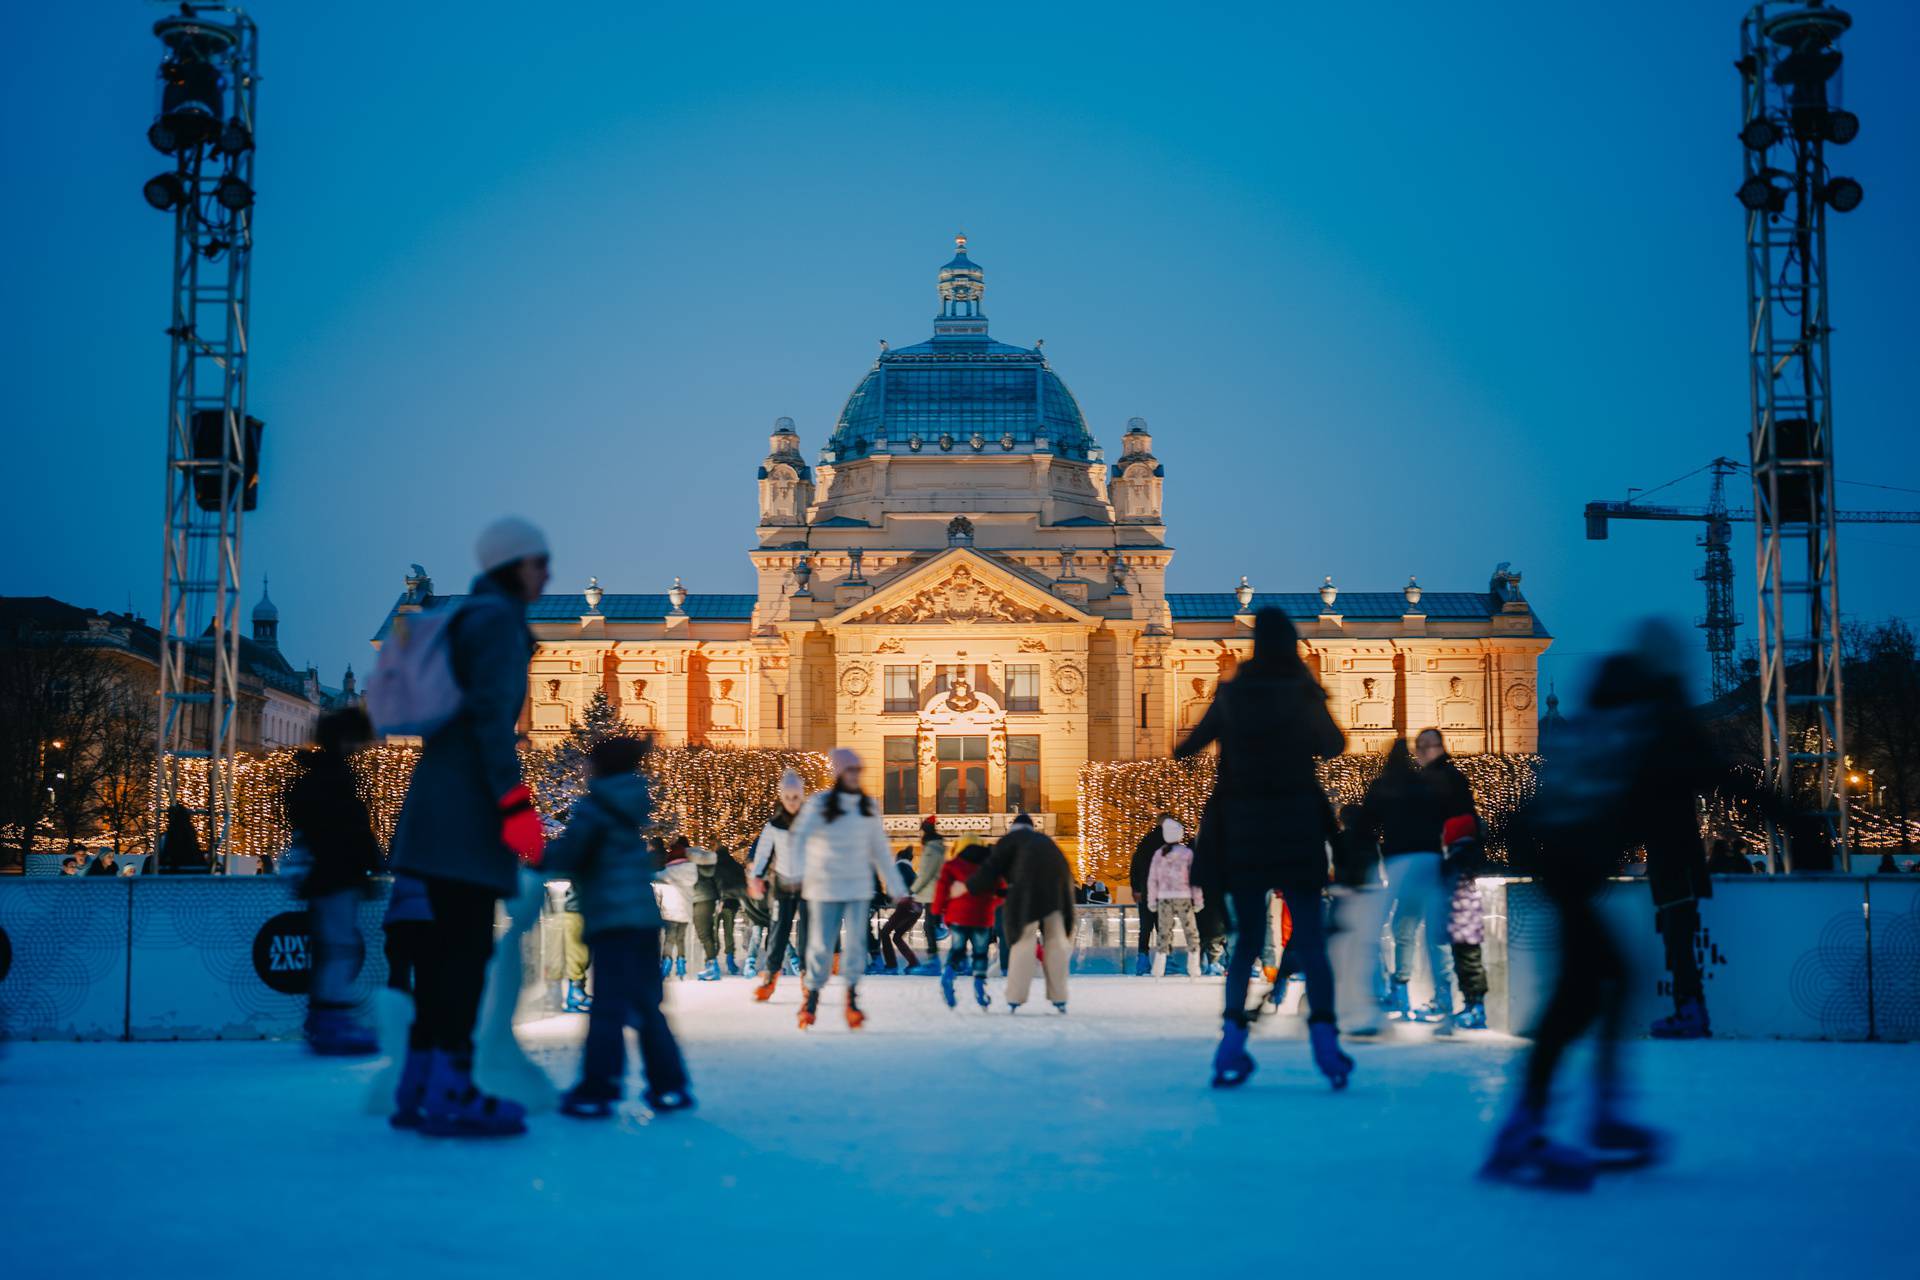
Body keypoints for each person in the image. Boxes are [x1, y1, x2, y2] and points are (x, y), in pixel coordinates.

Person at [386, 516, 548, 1137]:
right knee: (464, 953)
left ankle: (416, 1084)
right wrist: (516, 808)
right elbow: (490, 727)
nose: (547, 575)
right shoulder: (499, 624)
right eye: (539, 563)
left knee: (440, 954)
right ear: (515, 565)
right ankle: (451, 1089)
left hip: (432, 804)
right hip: (465, 814)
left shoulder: (465, 616)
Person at [1174, 607, 1349, 1089]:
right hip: (1296, 828)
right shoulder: (1301, 690)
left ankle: (1231, 1043)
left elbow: (1186, 749)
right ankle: (1326, 1045)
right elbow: (1334, 744)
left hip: (1243, 831)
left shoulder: (1234, 693)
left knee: (1246, 942)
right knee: (1311, 942)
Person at [540, 737, 692, 1118]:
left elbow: (568, 855)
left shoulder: (595, 808)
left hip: (612, 919)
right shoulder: (629, 803)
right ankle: (669, 1084)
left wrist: (529, 847)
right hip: (640, 919)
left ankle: (599, 1086)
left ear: (601, 767)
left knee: (607, 1004)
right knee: (646, 1004)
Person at [787, 747, 909, 1029]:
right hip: (824, 886)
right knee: (821, 945)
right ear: (839, 773)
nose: (855, 776)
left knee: (855, 945)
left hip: (857, 887)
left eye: (857, 771)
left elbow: (880, 850)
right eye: (850, 771)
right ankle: (812, 999)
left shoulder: (867, 806)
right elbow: (799, 839)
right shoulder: (819, 805)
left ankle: (852, 1000)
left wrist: (897, 888)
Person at [286, 706, 383, 1056]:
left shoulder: (317, 777)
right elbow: (350, 831)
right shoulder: (335, 780)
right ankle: (332, 1022)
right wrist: (370, 861)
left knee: (332, 947)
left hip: (327, 874)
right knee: (339, 947)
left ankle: (325, 1018)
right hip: (336, 874)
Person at [1350, 737, 1453, 1032]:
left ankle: (1389, 996)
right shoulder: (1427, 785)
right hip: (1431, 859)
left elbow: (1364, 829)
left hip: (1398, 861)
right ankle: (1444, 1003)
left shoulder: (1383, 786)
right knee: (1432, 934)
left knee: (1377, 930)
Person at [960, 814, 1075, 1014]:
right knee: (1055, 943)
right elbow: (1065, 872)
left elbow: (990, 868)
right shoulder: (1046, 841)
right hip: (1057, 894)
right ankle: (1060, 998)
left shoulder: (1010, 840)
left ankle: (1015, 997)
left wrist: (970, 887)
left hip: (1026, 895)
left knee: (1023, 943)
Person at [749, 770, 809, 1000]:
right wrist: (756, 877)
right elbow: (763, 853)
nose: (792, 802)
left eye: (796, 797)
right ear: (782, 798)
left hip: (806, 886)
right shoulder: (773, 825)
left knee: (806, 933)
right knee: (778, 932)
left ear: (801, 797)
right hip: (782, 885)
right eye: (788, 797)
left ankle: (807, 977)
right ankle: (770, 977)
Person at [932, 836, 1002, 1008]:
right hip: (982, 917)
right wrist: (991, 904)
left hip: (958, 916)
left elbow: (941, 890)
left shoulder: (951, 866)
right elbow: (1001, 891)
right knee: (980, 953)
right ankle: (979, 986)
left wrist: (936, 912)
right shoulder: (989, 866)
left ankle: (948, 974)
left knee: (957, 949)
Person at [1442, 814, 1489, 1029]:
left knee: (1467, 962)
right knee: (1467, 961)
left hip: (1462, 918)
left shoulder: (1459, 855)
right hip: (1466, 918)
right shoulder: (1471, 853)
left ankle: (1475, 1008)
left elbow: (1447, 878)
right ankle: (1473, 1005)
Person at [1146, 818, 1204, 979]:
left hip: (1164, 898)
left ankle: (1158, 969)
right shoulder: (1187, 854)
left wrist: (1152, 900)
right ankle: (1194, 968)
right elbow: (1195, 879)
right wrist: (1198, 900)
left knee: (1164, 932)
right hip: (1184, 898)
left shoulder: (1159, 854)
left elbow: (1152, 879)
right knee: (1191, 932)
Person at [1129, 814, 1174, 975]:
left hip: (1147, 891)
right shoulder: (1169, 843)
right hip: (1164, 891)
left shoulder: (1145, 842)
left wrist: (1136, 888)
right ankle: (1166, 961)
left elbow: (1135, 865)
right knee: (1164, 927)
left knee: (1146, 927)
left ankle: (1143, 961)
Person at [876, 848, 923, 972]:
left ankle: (891, 965)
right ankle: (914, 963)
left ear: (897, 858)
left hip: (906, 905)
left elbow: (892, 890)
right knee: (897, 936)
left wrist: (886, 900)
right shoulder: (911, 871)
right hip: (917, 907)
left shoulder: (898, 868)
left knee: (885, 933)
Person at [909, 816, 947, 971]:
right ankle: (934, 957)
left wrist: (912, 890)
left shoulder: (931, 850)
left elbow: (925, 873)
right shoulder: (936, 848)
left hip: (931, 893)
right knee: (930, 925)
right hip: (934, 892)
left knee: (929, 926)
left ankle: (934, 960)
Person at [655, 840, 697, 979]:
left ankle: (666, 965)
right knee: (681, 939)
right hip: (685, 912)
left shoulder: (667, 873)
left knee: (669, 939)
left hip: (670, 911)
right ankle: (681, 966)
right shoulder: (692, 872)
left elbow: (654, 881)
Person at [710, 843, 750, 975]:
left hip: (717, 902)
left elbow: (713, 883)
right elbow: (742, 885)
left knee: (714, 931)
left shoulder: (715, 866)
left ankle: (713, 960)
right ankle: (730, 960)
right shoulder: (736, 866)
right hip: (732, 903)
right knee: (729, 931)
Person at [156, 804, 208, 875]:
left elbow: (169, 850)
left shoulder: (173, 831)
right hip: (191, 864)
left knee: (150, 862)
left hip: (178, 866)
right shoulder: (189, 830)